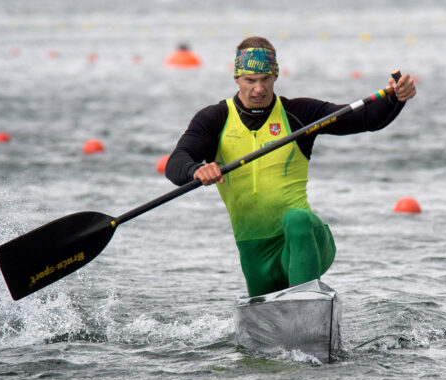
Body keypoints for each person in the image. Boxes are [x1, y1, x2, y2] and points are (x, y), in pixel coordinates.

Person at [165, 36, 416, 297]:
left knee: (296, 220)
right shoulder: (214, 120)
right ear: (237, 78)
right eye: (250, 80)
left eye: (265, 79)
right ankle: (297, 309)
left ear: (275, 76)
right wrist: (195, 170)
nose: (259, 88)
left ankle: (305, 301)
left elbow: (365, 118)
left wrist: (395, 98)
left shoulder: (299, 115)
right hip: (255, 256)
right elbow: (177, 162)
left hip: (307, 241)